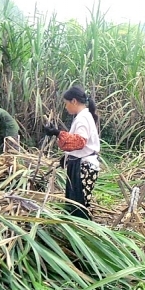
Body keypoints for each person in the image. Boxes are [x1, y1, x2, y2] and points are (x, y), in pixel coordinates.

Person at [44, 86, 100, 220]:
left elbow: (79, 142)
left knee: (78, 205)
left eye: (66, 103)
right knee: (76, 202)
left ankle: (81, 232)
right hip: (81, 163)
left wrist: (57, 133)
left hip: (83, 166)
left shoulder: (83, 118)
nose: (66, 107)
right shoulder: (83, 116)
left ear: (74, 101)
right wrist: (67, 156)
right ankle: (77, 230)